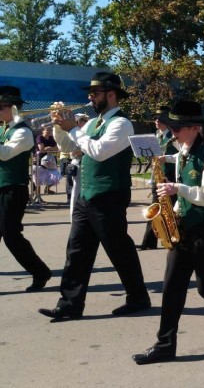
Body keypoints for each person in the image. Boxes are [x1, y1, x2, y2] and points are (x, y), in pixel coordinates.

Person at [132, 100, 204, 365]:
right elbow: (182, 163)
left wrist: (178, 189)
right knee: (172, 286)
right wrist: (173, 202)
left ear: (195, 128)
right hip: (183, 226)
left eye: (179, 127)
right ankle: (165, 345)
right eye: (172, 126)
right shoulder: (183, 148)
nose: (172, 131)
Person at [39, 72, 150, 321]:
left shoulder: (122, 124)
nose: (90, 97)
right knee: (77, 250)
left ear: (111, 95)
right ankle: (69, 303)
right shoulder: (92, 123)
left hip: (109, 194)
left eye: (95, 93)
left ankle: (138, 297)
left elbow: (99, 152)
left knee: (118, 249)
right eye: (90, 93)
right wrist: (59, 125)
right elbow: (70, 148)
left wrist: (74, 130)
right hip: (86, 193)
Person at [0, 85, 52, 292]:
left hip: (13, 188)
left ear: (13, 108)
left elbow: (5, 154)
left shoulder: (23, 132)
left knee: (11, 235)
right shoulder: (3, 128)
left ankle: (40, 271)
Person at [140, 106, 177, 250]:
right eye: (155, 118)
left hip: (169, 177)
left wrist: (165, 159)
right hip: (157, 176)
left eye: (159, 119)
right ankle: (149, 241)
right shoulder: (157, 135)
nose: (156, 121)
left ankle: (173, 237)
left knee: (171, 210)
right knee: (155, 208)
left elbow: (181, 155)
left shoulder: (173, 136)